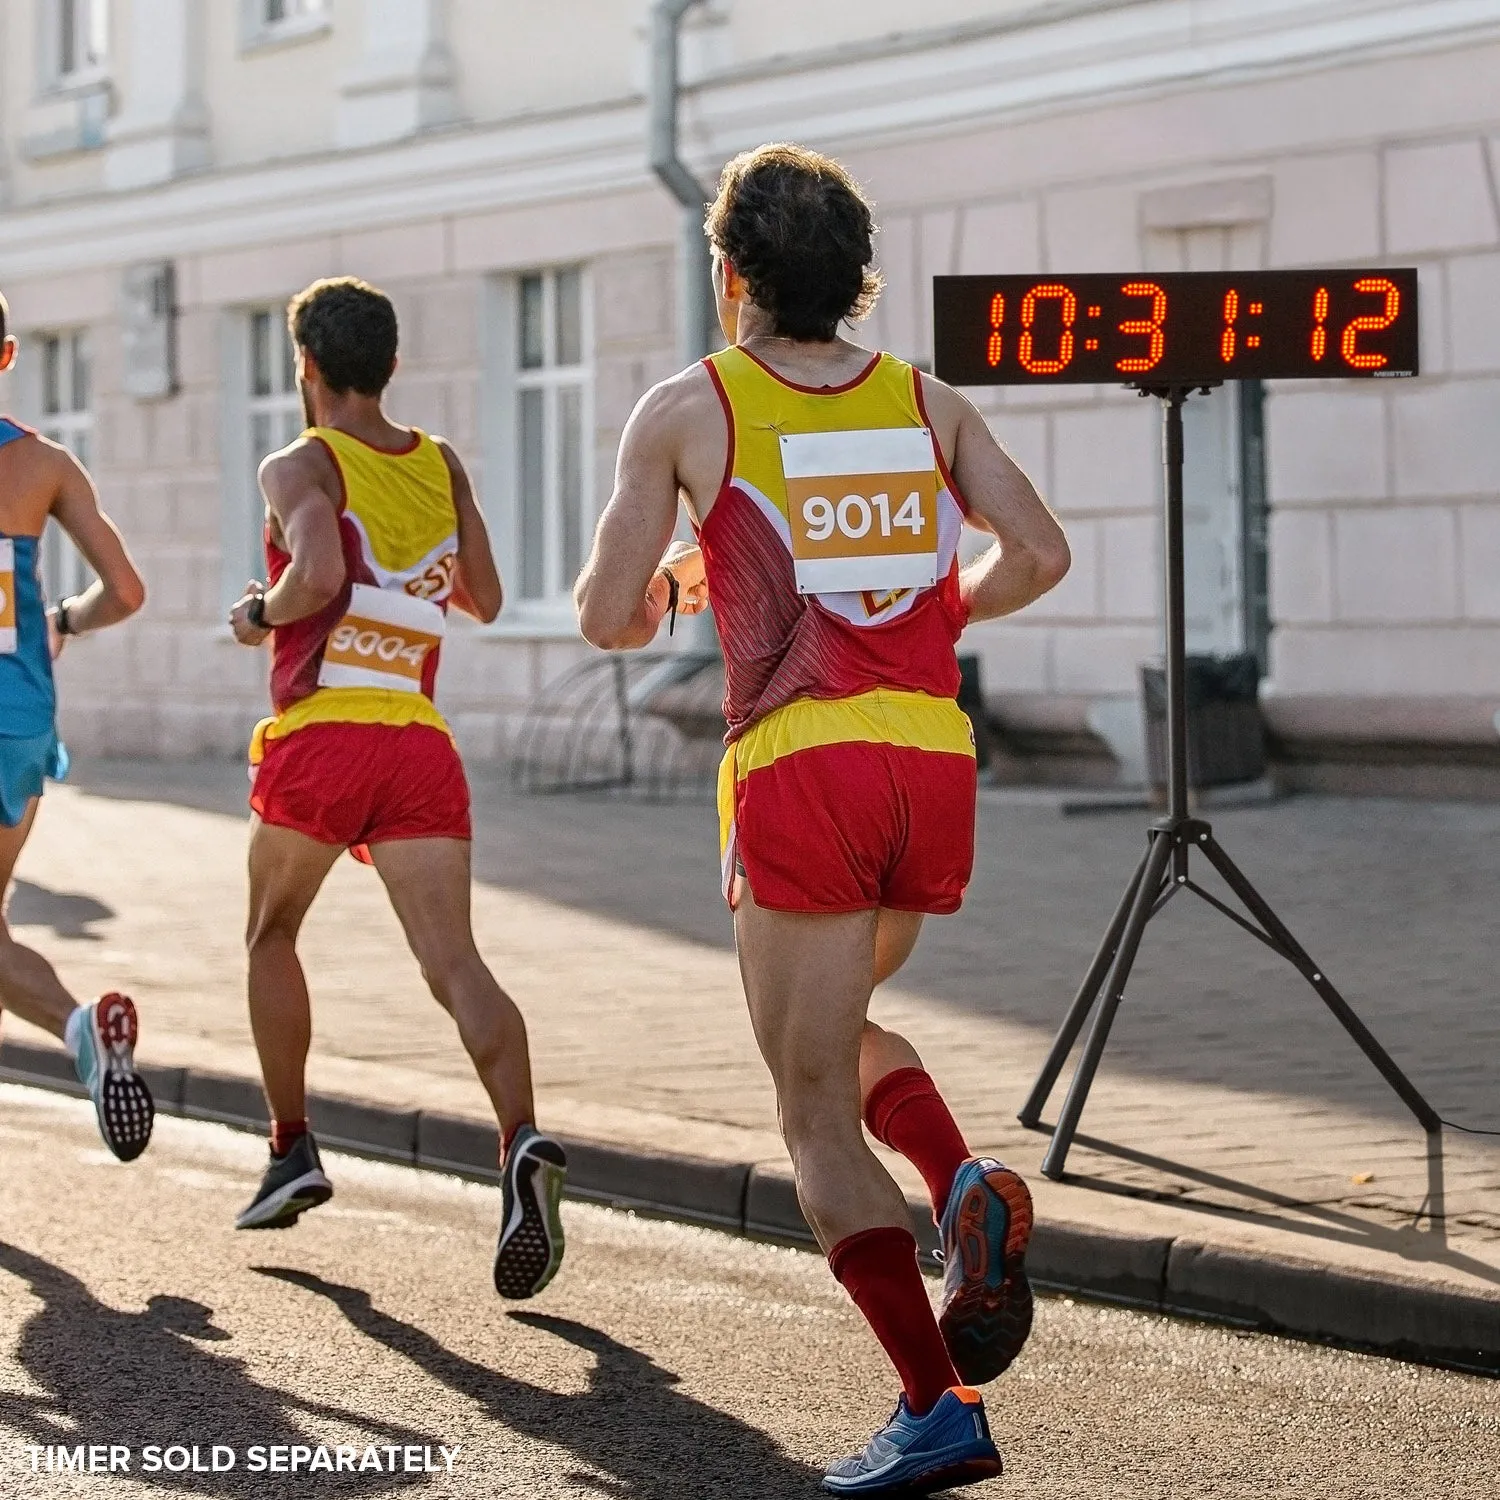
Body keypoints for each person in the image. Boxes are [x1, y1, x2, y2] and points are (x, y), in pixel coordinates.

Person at [575, 145, 1070, 1494]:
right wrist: (934, 610)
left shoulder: (690, 406)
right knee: (837, 1028)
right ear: (854, 279)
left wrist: (683, 586)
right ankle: (962, 1190)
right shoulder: (927, 400)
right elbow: (1039, 553)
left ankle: (936, 1406)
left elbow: (605, 616)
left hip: (801, 770)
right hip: (930, 764)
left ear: (730, 274)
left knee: (805, 1112)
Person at [227, 278, 566, 1301]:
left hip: (326, 735)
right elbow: (487, 598)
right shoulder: (439, 462)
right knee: (455, 961)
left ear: (309, 371)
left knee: (270, 935)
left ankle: (291, 1148)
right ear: (392, 366)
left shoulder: (297, 463)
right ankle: (520, 1142)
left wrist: (261, 610)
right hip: (419, 745)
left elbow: (320, 573)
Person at [0, 292, 152, 1162]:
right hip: (20, 719)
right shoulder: (46, 465)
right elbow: (126, 592)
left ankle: (79, 1028)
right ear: (8, 354)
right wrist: (61, 617)